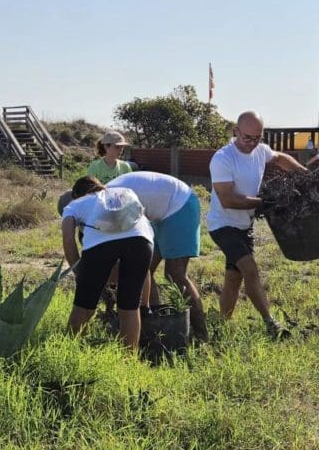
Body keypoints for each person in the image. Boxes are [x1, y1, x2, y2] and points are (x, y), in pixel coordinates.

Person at [207, 111, 307, 338]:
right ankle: (270, 324)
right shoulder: (223, 158)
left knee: (234, 277)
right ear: (236, 132)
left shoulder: (260, 150)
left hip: (245, 225)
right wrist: (267, 203)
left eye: (257, 138)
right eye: (247, 138)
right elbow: (228, 199)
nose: (252, 143)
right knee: (250, 270)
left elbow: (280, 158)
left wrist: (305, 175)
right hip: (223, 225)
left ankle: (221, 325)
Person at [106, 171, 208, 341]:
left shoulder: (111, 199)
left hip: (179, 205)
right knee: (145, 270)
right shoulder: (105, 197)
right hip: (159, 212)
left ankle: (202, 336)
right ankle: (156, 325)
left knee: (175, 274)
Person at [62, 176, 154, 349]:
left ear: (76, 194)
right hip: (142, 241)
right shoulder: (124, 193)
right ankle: (129, 360)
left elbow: (68, 239)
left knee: (84, 305)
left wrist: (80, 273)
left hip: (99, 244)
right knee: (129, 307)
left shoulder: (74, 204)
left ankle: (69, 350)